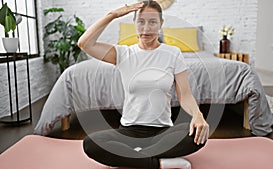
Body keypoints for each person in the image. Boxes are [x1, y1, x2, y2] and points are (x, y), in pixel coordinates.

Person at [77, 1, 209, 168]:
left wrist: (198, 115)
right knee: (90, 143)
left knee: (198, 133)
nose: (146, 28)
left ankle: (128, 157)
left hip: (163, 132)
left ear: (161, 24)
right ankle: (159, 163)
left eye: (152, 22)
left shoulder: (173, 53)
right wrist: (113, 15)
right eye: (141, 21)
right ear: (134, 24)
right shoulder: (123, 53)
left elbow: (185, 94)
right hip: (128, 131)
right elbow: (84, 44)